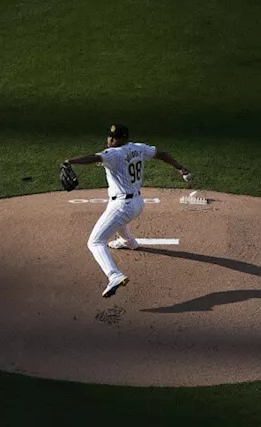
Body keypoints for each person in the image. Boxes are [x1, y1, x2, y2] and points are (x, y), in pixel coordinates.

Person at [63, 124, 192, 298]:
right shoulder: (138, 148)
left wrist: (70, 161)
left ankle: (114, 275)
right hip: (138, 203)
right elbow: (162, 154)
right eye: (109, 136)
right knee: (116, 217)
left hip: (123, 206)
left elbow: (93, 158)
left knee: (95, 242)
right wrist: (179, 167)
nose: (110, 140)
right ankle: (129, 242)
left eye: (113, 137)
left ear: (122, 139)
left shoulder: (114, 154)